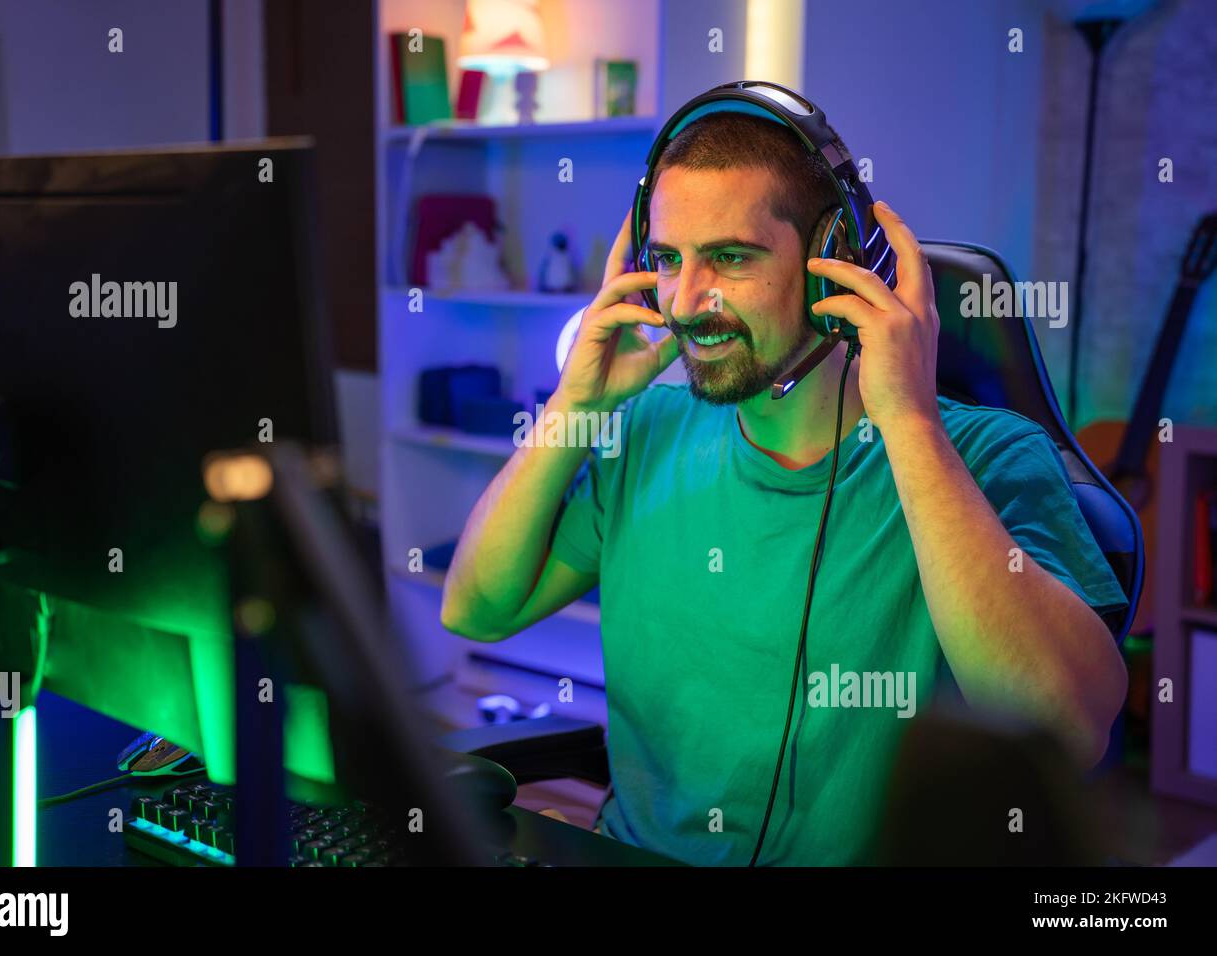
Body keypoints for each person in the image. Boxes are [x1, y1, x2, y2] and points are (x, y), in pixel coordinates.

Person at [440, 110, 1128, 866]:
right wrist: (576, 405)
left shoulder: (986, 454)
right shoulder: (643, 430)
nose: (687, 299)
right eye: (668, 258)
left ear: (832, 261)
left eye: (731, 257)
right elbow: (476, 609)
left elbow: (1073, 726)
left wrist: (911, 424)